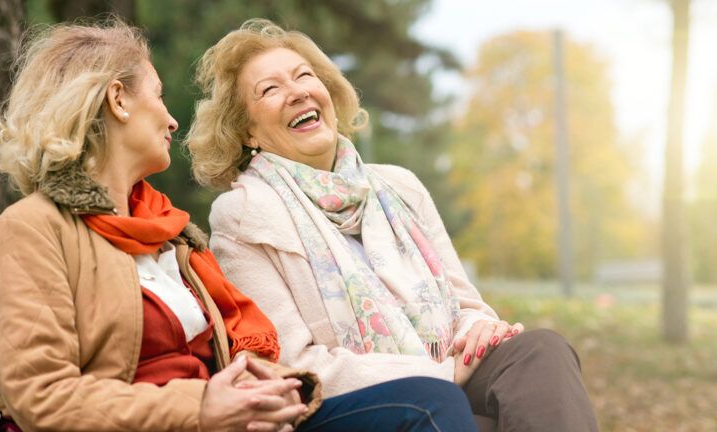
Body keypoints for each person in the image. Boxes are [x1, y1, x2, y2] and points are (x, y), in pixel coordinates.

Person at [0, 18, 478, 432]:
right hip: (185, 423)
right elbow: (41, 397)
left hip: (234, 422)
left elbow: (244, 352)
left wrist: (266, 395)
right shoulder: (30, 232)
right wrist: (200, 406)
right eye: (158, 94)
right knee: (430, 405)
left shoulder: (170, 236)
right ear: (119, 100)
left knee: (440, 396)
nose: (173, 120)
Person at [186, 18, 599, 432]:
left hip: (453, 369)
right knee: (447, 407)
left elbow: (466, 305)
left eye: (304, 76)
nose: (297, 92)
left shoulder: (401, 186)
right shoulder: (243, 214)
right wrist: (438, 375)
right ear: (247, 132)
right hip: (364, 399)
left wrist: (479, 329)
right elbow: (293, 363)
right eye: (270, 89)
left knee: (540, 350)